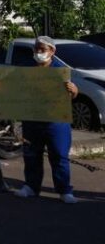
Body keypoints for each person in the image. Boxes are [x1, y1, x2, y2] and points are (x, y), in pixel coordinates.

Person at [13, 36, 78, 204]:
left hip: (56, 121)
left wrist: (74, 90)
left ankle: (64, 190)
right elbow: (14, 86)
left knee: (59, 155)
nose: (38, 52)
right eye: (36, 49)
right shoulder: (27, 69)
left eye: (42, 49)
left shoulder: (60, 70)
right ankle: (31, 186)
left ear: (52, 51)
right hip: (32, 119)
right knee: (31, 154)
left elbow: (71, 94)